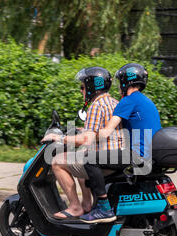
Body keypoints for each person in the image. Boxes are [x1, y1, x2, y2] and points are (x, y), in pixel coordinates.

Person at [80, 63, 162, 223]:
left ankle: (103, 208)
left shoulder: (128, 101)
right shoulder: (146, 101)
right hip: (149, 154)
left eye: (119, 82)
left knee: (89, 159)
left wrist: (86, 134)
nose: (118, 87)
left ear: (125, 82)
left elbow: (105, 132)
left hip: (135, 155)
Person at [41, 67, 123, 222]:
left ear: (92, 87)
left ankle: (75, 207)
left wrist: (60, 138)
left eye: (83, 87)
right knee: (79, 155)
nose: (81, 91)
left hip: (103, 162)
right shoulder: (113, 102)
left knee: (58, 161)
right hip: (115, 157)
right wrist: (81, 130)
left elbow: (86, 140)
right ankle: (86, 204)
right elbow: (101, 129)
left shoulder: (96, 106)